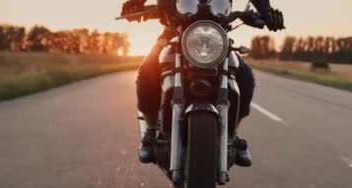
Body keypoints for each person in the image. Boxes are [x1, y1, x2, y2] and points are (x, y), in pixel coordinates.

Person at [120, 0, 285, 166]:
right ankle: (150, 131)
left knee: (244, 77)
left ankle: (231, 135)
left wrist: (267, 12)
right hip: (174, 32)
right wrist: (136, 3)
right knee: (148, 71)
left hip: (216, 36)